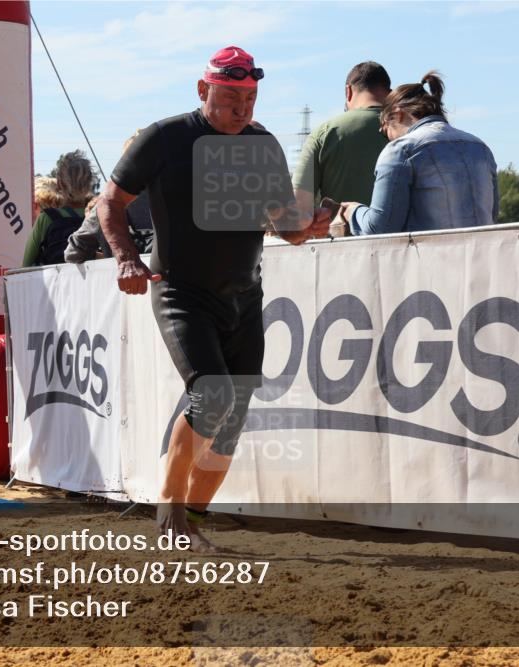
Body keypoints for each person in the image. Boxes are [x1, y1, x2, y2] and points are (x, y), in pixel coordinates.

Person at [98, 45, 331, 551]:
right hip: (181, 292)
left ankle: (193, 523)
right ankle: (170, 513)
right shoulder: (164, 138)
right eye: (230, 99)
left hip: (243, 297)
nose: (241, 110)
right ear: (203, 90)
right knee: (213, 396)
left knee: (233, 416)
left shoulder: (263, 145)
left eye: (249, 100)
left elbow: (284, 225)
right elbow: (110, 201)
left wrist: (307, 226)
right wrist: (126, 258)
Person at [341, 72, 498, 235]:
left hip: (431, 251)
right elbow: (491, 215)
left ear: (397, 114)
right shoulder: (481, 148)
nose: (388, 139)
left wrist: (353, 211)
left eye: (385, 131)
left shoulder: (401, 150)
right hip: (483, 250)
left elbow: (380, 228)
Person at [293, 61, 391, 213]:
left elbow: (298, 206)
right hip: (407, 229)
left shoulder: (324, 133)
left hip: (340, 228)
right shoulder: (410, 131)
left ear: (348, 91)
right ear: (390, 93)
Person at [65, 134, 154, 264]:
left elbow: (73, 254)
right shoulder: (180, 199)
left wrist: (111, 259)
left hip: (121, 276)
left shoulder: (107, 204)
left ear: (126, 164)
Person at [21, 151, 95, 266]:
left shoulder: (46, 218)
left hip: (57, 278)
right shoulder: (97, 217)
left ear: (59, 183)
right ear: (90, 183)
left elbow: (26, 265)